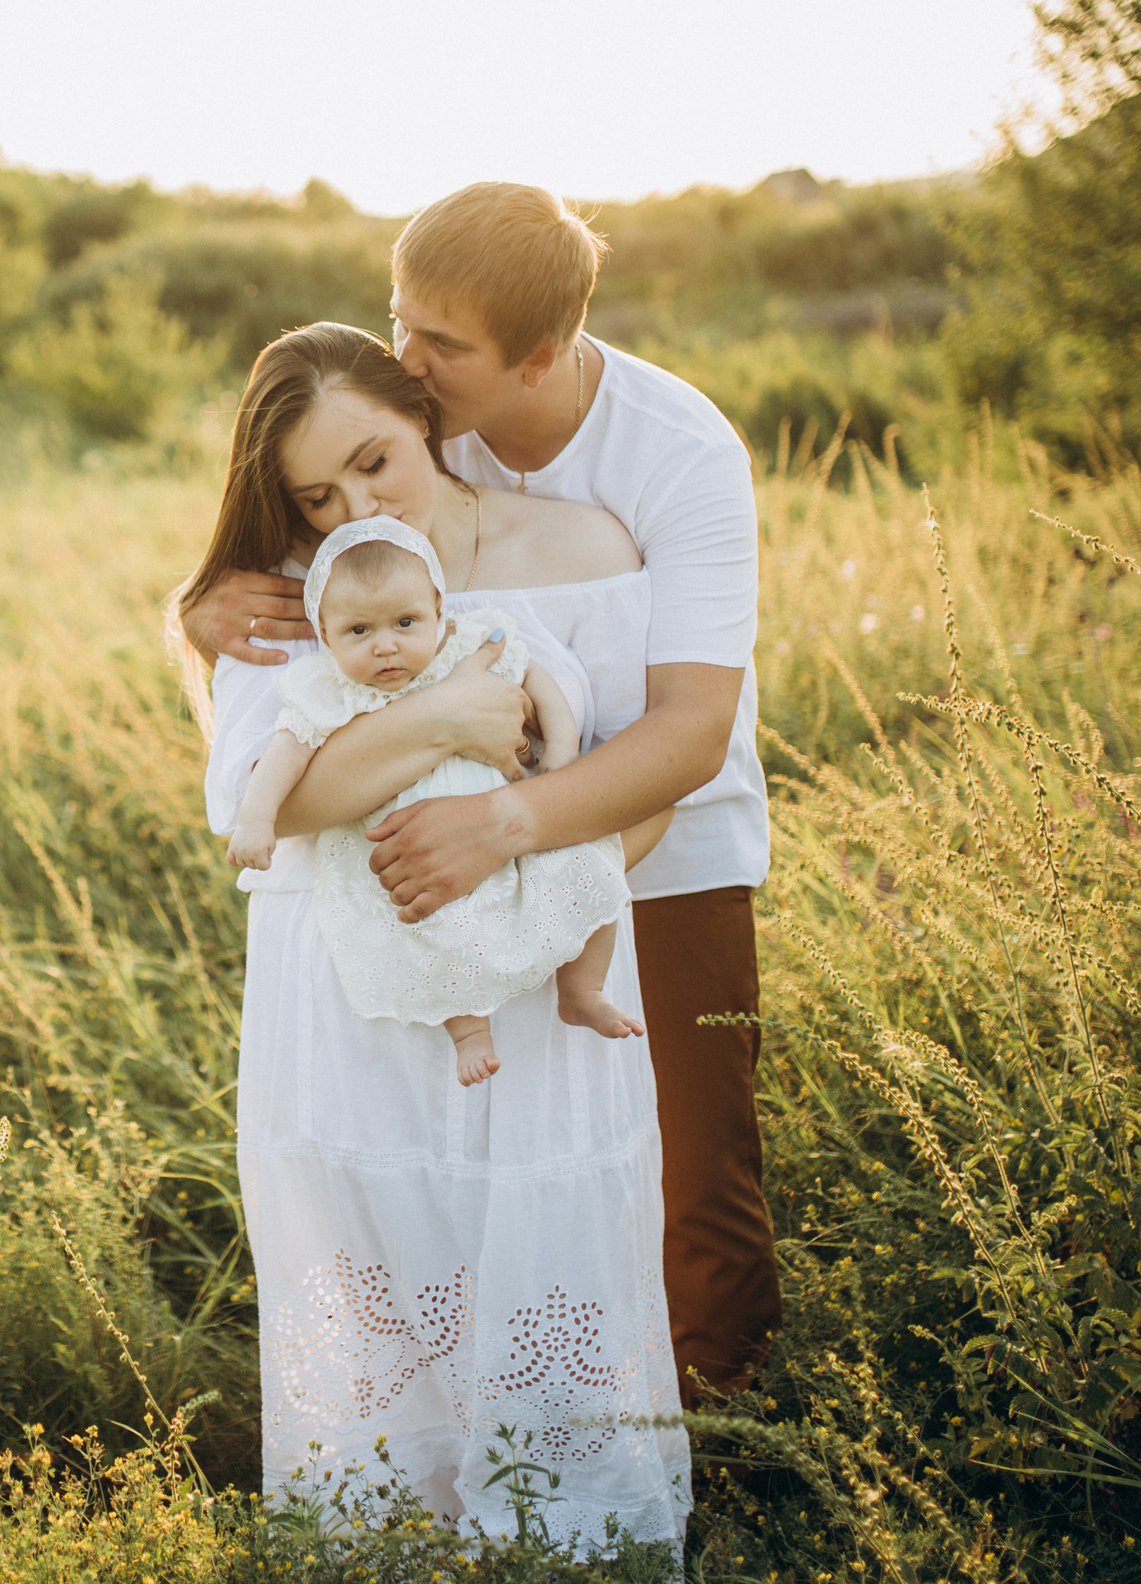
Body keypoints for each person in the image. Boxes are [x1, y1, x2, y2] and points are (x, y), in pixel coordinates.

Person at [180, 183, 780, 1411]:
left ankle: (721, 1428)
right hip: (424, 861)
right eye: (401, 325)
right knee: (462, 1163)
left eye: (439, 345)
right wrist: (186, 621)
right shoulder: (397, 434)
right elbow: (282, 527)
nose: (410, 360)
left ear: (539, 357)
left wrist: (504, 830)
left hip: (663, 821)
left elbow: (683, 732)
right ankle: (475, 1423)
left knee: (690, 1162)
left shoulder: (670, 455)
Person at [183, 321, 690, 1549]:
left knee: (542, 1251)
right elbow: (257, 799)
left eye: (373, 462)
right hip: (348, 979)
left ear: (424, 416)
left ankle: (563, 1548)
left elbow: (645, 777)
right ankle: (384, 1542)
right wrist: (450, 717)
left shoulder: (579, 548)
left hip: (530, 967)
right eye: (315, 492)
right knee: (377, 1267)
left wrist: (530, 896)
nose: (354, 506)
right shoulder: (298, 596)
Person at [226, 517, 649, 1089]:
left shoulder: (472, 646)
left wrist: (561, 754)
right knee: (425, 926)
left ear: (437, 612)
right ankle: (469, 1031)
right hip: (409, 845)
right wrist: (256, 817)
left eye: (405, 622)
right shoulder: (331, 690)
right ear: (324, 635)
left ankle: (582, 989)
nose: (386, 645)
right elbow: (286, 754)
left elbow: (539, 683)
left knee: (590, 869)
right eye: (358, 631)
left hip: (508, 821)